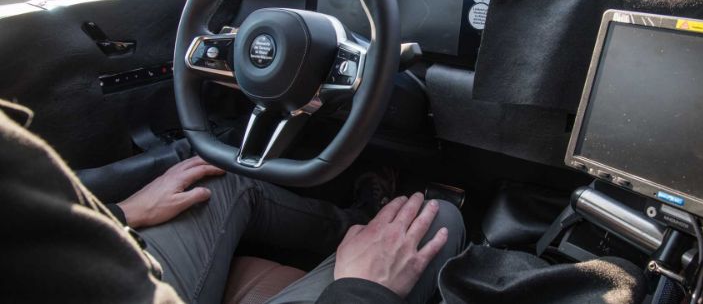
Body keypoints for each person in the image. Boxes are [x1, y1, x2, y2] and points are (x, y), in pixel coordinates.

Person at [0, 99, 465, 303]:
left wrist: (120, 214)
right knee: (436, 218)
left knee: (216, 179)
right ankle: (366, 238)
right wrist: (361, 291)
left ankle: (357, 220)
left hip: (87, 279)